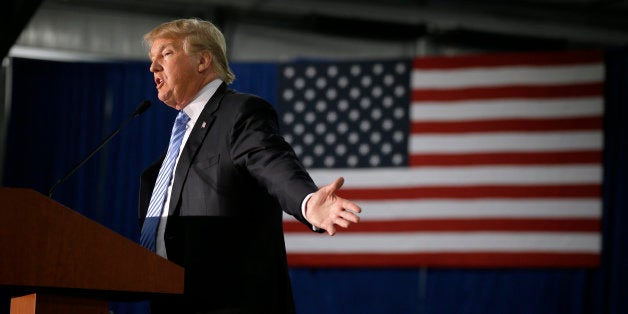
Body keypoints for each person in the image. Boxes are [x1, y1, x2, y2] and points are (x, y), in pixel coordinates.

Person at [138, 18, 362, 314]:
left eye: (165, 54)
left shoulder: (239, 114)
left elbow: (273, 163)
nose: (153, 67)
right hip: (170, 301)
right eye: (152, 59)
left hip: (228, 302)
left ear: (203, 60)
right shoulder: (177, 142)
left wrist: (306, 202)